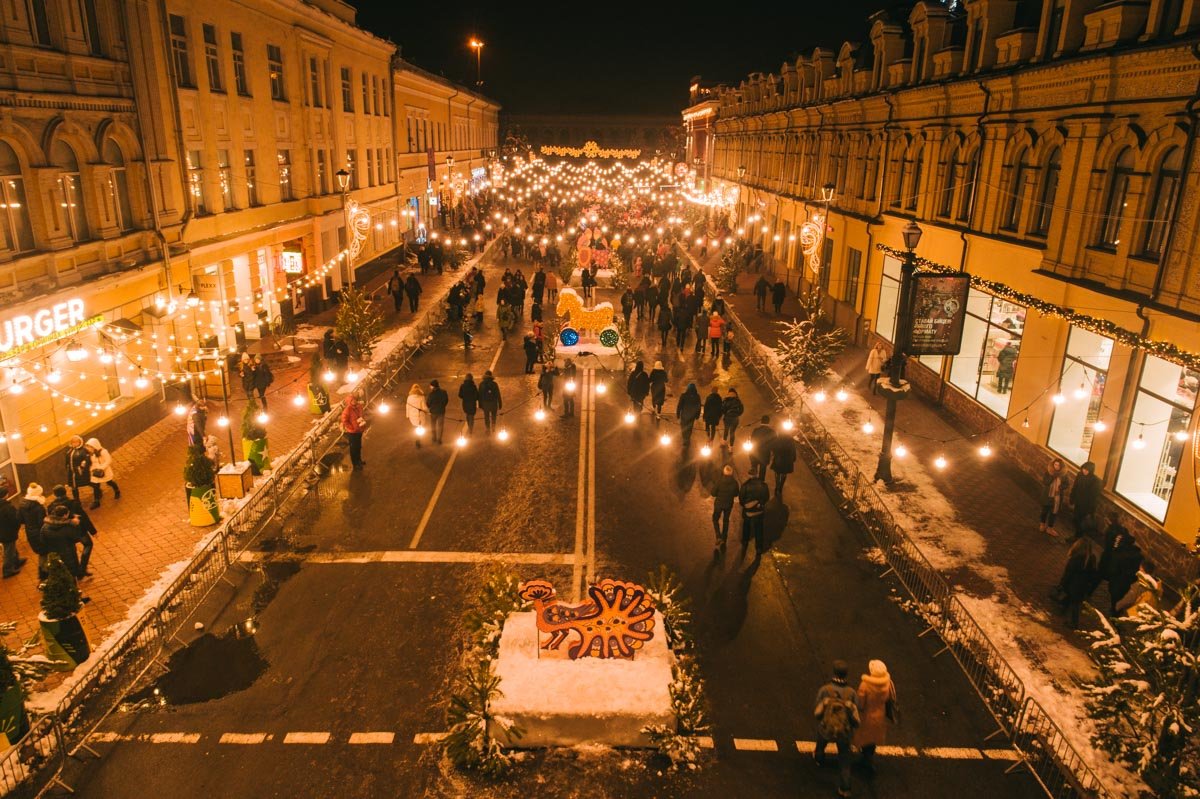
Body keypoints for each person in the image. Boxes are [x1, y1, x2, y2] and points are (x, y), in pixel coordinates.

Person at [814, 660, 860, 799]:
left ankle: (819, 758)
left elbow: (817, 713)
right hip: (844, 732)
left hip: (827, 728)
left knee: (821, 741)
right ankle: (845, 788)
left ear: (834, 672)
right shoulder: (851, 693)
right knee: (845, 760)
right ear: (846, 674)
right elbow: (855, 716)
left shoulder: (825, 690)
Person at [853, 659, 897, 774]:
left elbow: (860, 704)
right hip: (880, 717)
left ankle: (867, 763)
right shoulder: (888, 683)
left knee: (865, 739)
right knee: (872, 741)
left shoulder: (865, 685)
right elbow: (888, 699)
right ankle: (868, 759)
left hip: (867, 717)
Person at [47, 484, 96, 579]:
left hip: (63, 533)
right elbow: (84, 517)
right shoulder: (73, 503)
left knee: (72, 550)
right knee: (88, 544)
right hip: (79, 530)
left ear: (55, 494)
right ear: (65, 492)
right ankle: (82, 568)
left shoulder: (51, 507)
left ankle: (77, 571)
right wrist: (92, 531)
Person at [1056, 536, 1102, 628]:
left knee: (1074, 604)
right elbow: (1093, 573)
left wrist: (1062, 584)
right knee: (1073, 599)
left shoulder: (1076, 558)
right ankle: (1063, 608)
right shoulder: (1092, 558)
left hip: (1073, 584)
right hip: (1083, 585)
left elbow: (1068, 572)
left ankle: (1074, 623)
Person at [1104, 532, 1143, 615]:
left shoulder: (1120, 553)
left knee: (1115, 598)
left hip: (1117, 581)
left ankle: (1114, 611)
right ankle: (1117, 611)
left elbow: (1113, 569)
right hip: (1128, 583)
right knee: (1122, 598)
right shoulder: (1139, 556)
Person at [41, 504, 84, 579]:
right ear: (64, 515)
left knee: (59, 574)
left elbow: (43, 540)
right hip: (68, 554)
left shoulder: (45, 526)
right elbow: (77, 538)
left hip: (54, 555)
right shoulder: (67, 527)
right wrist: (76, 525)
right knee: (71, 574)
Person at [18, 483, 47, 579]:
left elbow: (20, 519)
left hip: (30, 533)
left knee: (42, 553)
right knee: (45, 553)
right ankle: (44, 575)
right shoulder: (39, 507)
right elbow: (41, 523)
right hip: (40, 533)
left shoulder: (22, 505)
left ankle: (43, 574)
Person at [739, 471, 770, 555]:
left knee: (746, 527)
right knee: (759, 529)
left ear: (749, 475)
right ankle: (759, 547)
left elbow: (741, 499)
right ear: (757, 475)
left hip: (748, 511)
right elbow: (767, 497)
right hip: (759, 511)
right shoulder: (763, 485)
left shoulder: (745, 486)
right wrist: (760, 503)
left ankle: (745, 542)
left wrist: (746, 505)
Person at [0, 477, 26, 578]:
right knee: (9, 550)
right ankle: (7, 570)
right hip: (7, 532)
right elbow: (14, 519)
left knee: (11, 547)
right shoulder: (7, 507)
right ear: (5, 495)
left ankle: (16, 560)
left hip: (3, 532)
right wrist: (17, 526)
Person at [711, 465, 740, 551]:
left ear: (724, 472)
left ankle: (718, 536)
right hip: (728, 505)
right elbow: (736, 494)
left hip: (719, 504)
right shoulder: (735, 483)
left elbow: (713, 493)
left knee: (715, 519)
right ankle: (724, 538)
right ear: (731, 473)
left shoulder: (719, 481)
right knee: (726, 520)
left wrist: (718, 494)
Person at [1070, 461, 1102, 538]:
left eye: (1087, 470)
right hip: (1078, 502)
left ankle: (1078, 537)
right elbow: (1075, 487)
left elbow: (1093, 496)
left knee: (1081, 522)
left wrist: (1091, 510)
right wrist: (1072, 498)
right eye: (1084, 469)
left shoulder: (1095, 480)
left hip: (1086, 505)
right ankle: (1077, 535)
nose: (1084, 471)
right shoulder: (1080, 475)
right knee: (1075, 519)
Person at [85, 438, 119, 509]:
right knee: (95, 486)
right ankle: (96, 501)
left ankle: (117, 490)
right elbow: (92, 463)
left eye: (90, 447)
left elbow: (108, 460)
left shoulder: (103, 452)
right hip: (95, 472)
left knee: (109, 482)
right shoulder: (91, 454)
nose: (89, 448)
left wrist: (101, 468)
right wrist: (90, 468)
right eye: (88, 447)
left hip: (104, 471)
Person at [1039, 458, 1067, 537]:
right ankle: (1042, 524)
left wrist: (1060, 487)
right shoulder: (1048, 472)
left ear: (1061, 466)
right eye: (1055, 464)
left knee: (1053, 513)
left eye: (1058, 465)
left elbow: (1066, 484)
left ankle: (1050, 528)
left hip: (1057, 498)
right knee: (1044, 511)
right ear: (1053, 464)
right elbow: (1045, 482)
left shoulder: (1063, 475)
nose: (1056, 467)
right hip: (1047, 496)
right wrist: (1052, 477)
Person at [340, 394, 367, 470]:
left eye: (354, 399)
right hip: (352, 432)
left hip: (359, 430)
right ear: (349, 402)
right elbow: (344, 420)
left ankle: (359, 460)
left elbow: (362, 415)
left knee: (358, 447)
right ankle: (355, 464)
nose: (354, 401)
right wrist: (351, 427)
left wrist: (363, 422)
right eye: (352, 400)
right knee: (353, 448)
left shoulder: (359, 406)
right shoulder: (347, 410)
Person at [64, 435, 91, 501]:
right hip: (72, 472)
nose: (75, 443)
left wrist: (82, 467)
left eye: (76, 442)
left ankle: (97, 491)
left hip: (80, 471)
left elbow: (87, 460)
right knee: (74, 486)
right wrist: (67, 467)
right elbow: (67, 460)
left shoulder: (83, 450)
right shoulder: (69, 451)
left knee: (88, 482)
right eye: (73, 442)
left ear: (80, 442)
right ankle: (77, 500)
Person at [771, 431, 797, 497]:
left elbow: (774, 448)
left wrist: (774, 454)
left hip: (779, 459)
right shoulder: (791, 440)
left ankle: (777, 487)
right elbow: (793, 450)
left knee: (777, 473)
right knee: (784, 474)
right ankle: (780, 488)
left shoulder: (778, 439)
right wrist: (793, 458)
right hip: (787, 461)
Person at [676, 383, 702, 448]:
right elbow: (698, 407)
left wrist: (678, 415)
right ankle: (687, 439)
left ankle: (685, 439)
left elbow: (679, 405)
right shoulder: (697, 396)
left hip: (684, 415)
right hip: (692, 416)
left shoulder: (684, 395)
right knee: (689, 428)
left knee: (683, 427)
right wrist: (697, 415)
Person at [406, 384, 429, 449]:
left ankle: (416, 439)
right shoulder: (421, 397)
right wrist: (427, 412)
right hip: (420, 416)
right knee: (420, 428)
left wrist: (407, 415)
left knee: (415, 427)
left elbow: (407, 407)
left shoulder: (409, 397)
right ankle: (418, 440)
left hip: (412, 416)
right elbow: (424, 407)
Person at [426, 379, 449, 445]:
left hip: (433, 412)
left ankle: (434, 437)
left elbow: (428, 403)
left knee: (433, 425)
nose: (430, 387)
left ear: (433, 386)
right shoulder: (444, 392)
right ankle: (439, 439)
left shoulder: (431, 394)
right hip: (441, 411)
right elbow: (446, 400)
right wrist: (443, 406)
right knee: (440, 426)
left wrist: (430, 407)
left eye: (431, 386)